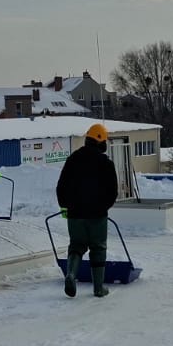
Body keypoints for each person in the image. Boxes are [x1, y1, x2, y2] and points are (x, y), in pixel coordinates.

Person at [56, 123, 119, 297]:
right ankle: (98, 288)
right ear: (100, 141)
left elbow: (61, 186)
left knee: (76, 246)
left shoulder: (73, 159)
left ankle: (71, 274)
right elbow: (113, 191)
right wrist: (103, 206)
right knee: (98, 248)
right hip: (97, 215)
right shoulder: (105, 163)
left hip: (75, 214)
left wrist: (65, 205)